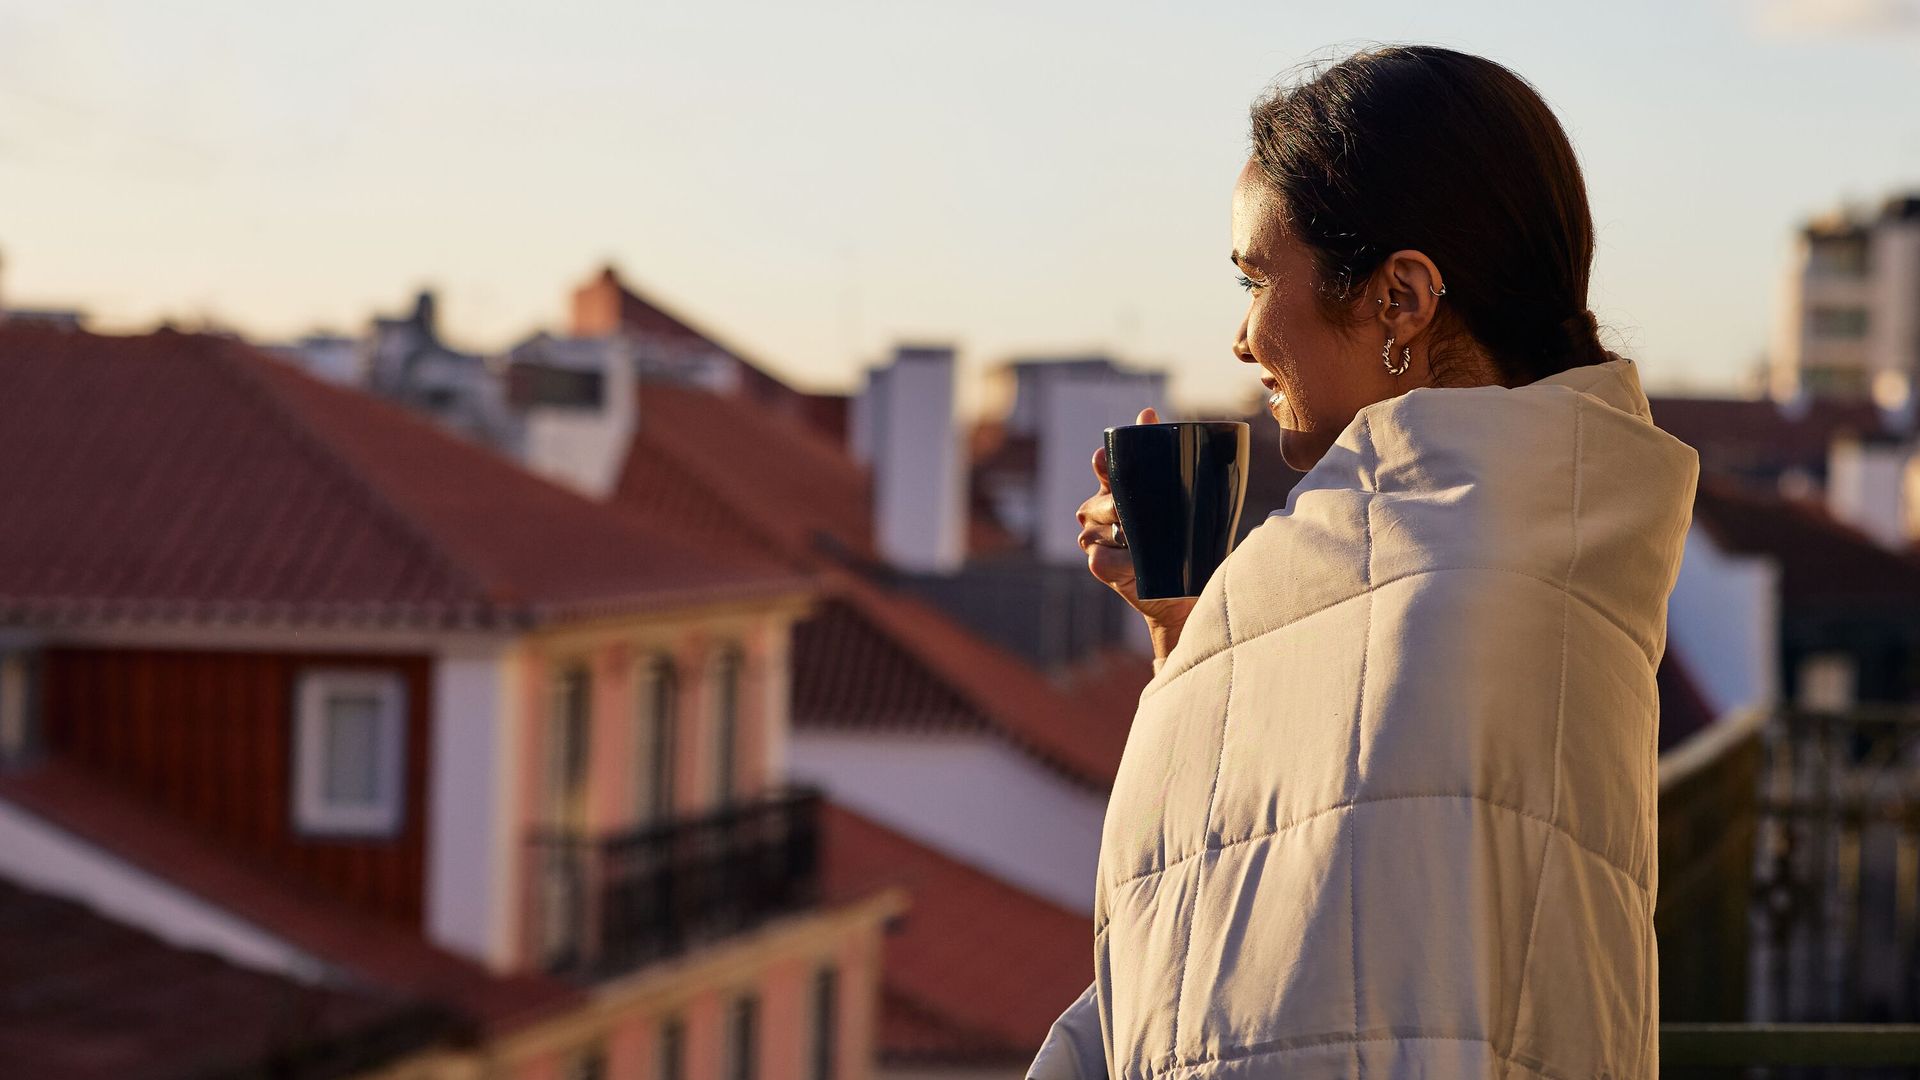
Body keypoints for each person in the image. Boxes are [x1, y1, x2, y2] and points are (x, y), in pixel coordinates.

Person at [1031, 45, 1699, 1080]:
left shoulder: (1458, 589)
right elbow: (1256, 932)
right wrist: (1191, 637)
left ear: (1400, 299)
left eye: (1258, 278)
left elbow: (1301, 978)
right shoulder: (1514, 543)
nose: (1245, 337)